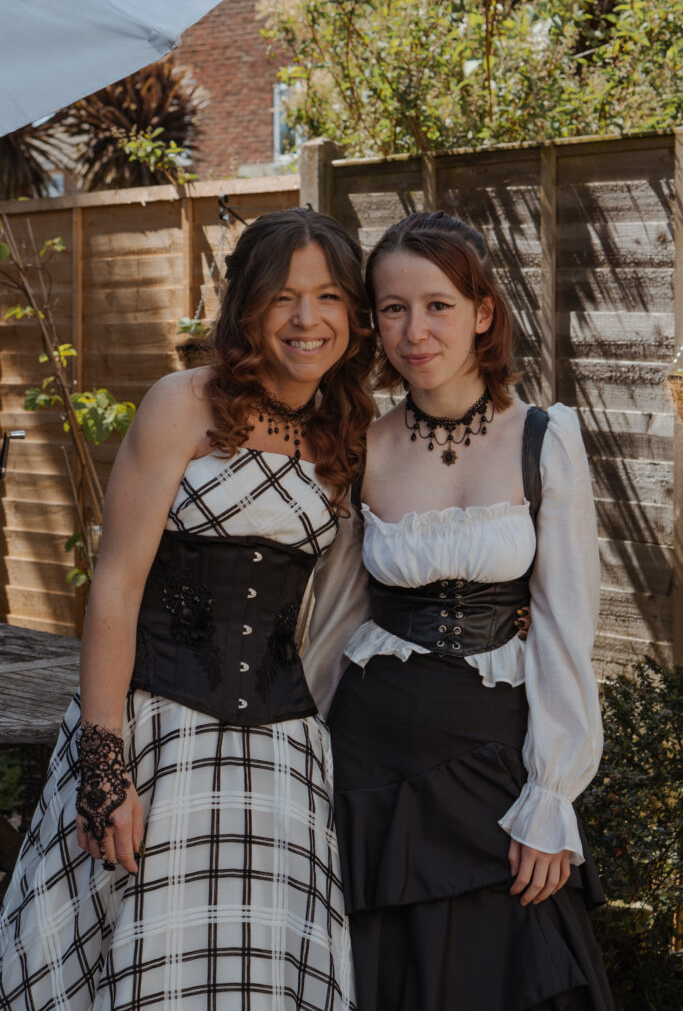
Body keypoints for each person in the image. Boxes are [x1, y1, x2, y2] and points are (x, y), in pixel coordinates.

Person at [0, 208, 374, 1010]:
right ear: (246, 308)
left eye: (328, 297)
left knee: (259, 979)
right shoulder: (184, 403)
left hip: (281, 758)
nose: (307, 320)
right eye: (282, 297)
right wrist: (104, 767)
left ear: (355, 314)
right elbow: (116, 587)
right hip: (157, 736)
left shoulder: (346, 434)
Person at [327, 211, 614, 1011]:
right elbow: (332, 616)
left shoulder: (542, 437)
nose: (414, 330)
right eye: (392, 308)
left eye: (438, 305)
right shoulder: (360, 444)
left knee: (510, 967)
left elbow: (565, 626)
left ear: (482, 312)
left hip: (494, 760)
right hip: (369, 762)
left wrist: (551, 793)